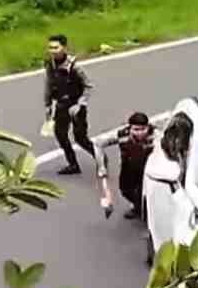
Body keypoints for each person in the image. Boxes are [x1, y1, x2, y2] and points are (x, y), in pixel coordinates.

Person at [43, 34, 96, 175]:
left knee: (81, 139)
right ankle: (73, 165)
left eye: (56, 47)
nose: (53, 51)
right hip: (61, 105)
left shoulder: (75, 66)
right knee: (60, 135)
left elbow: (88, 86)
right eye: (50, 48)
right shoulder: (50, 63)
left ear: (64, 48)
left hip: (75, 106)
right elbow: (49, 84)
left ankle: (100, 158)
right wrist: (48, 105)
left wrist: (80, 104)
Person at [93, 112, 158, 220]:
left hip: (148, 169)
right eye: (136, 129)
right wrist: (102, 166)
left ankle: (149, 217)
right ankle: (139, 207)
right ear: (130, 128)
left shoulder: (157, 136)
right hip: (129, 166)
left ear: (148, 127)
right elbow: (98, 143)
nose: (140, 133)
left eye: (143, 129)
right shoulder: (121, 135)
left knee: (147, 194)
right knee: (126, 190)